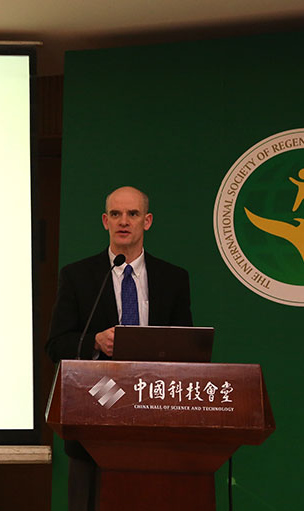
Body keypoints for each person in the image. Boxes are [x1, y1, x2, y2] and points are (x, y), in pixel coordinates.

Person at [45, 185, 192, 511]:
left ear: (147, 221)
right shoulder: (77, 276)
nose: (123, 221)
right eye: (116, 214)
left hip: (155, 419)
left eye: (132, 214)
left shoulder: (173, 279)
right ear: (105, 221)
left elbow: (186, 350)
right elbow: (56, 345)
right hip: (94, 421)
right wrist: (95, 342)